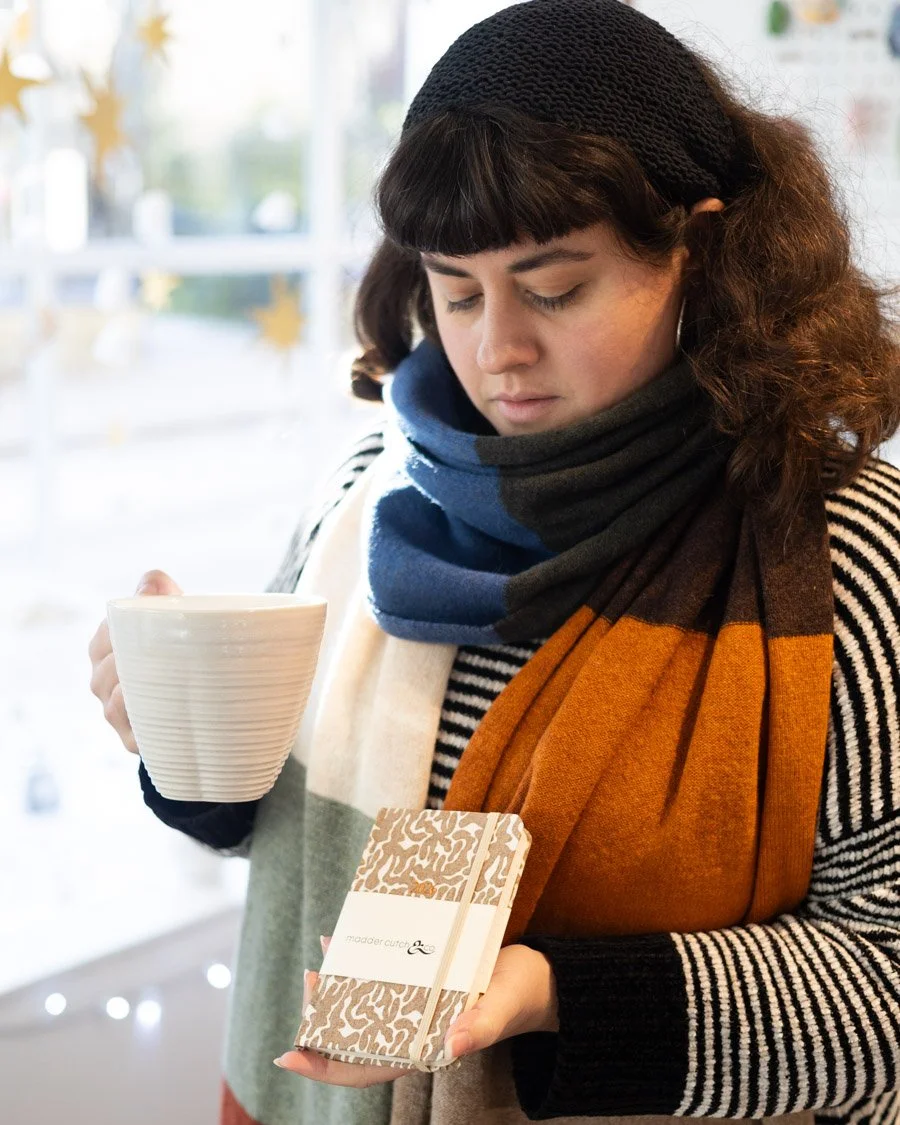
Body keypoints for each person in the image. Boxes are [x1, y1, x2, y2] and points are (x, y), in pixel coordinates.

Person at [88, 1, 900, 1123]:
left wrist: (554, 995)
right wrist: (173, 736)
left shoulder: (838, 551)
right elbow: (270, 831)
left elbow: (890, 980)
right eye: (455, 290)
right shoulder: (364, 492)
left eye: (555, 288)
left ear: (700, 249)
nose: (494, 349)